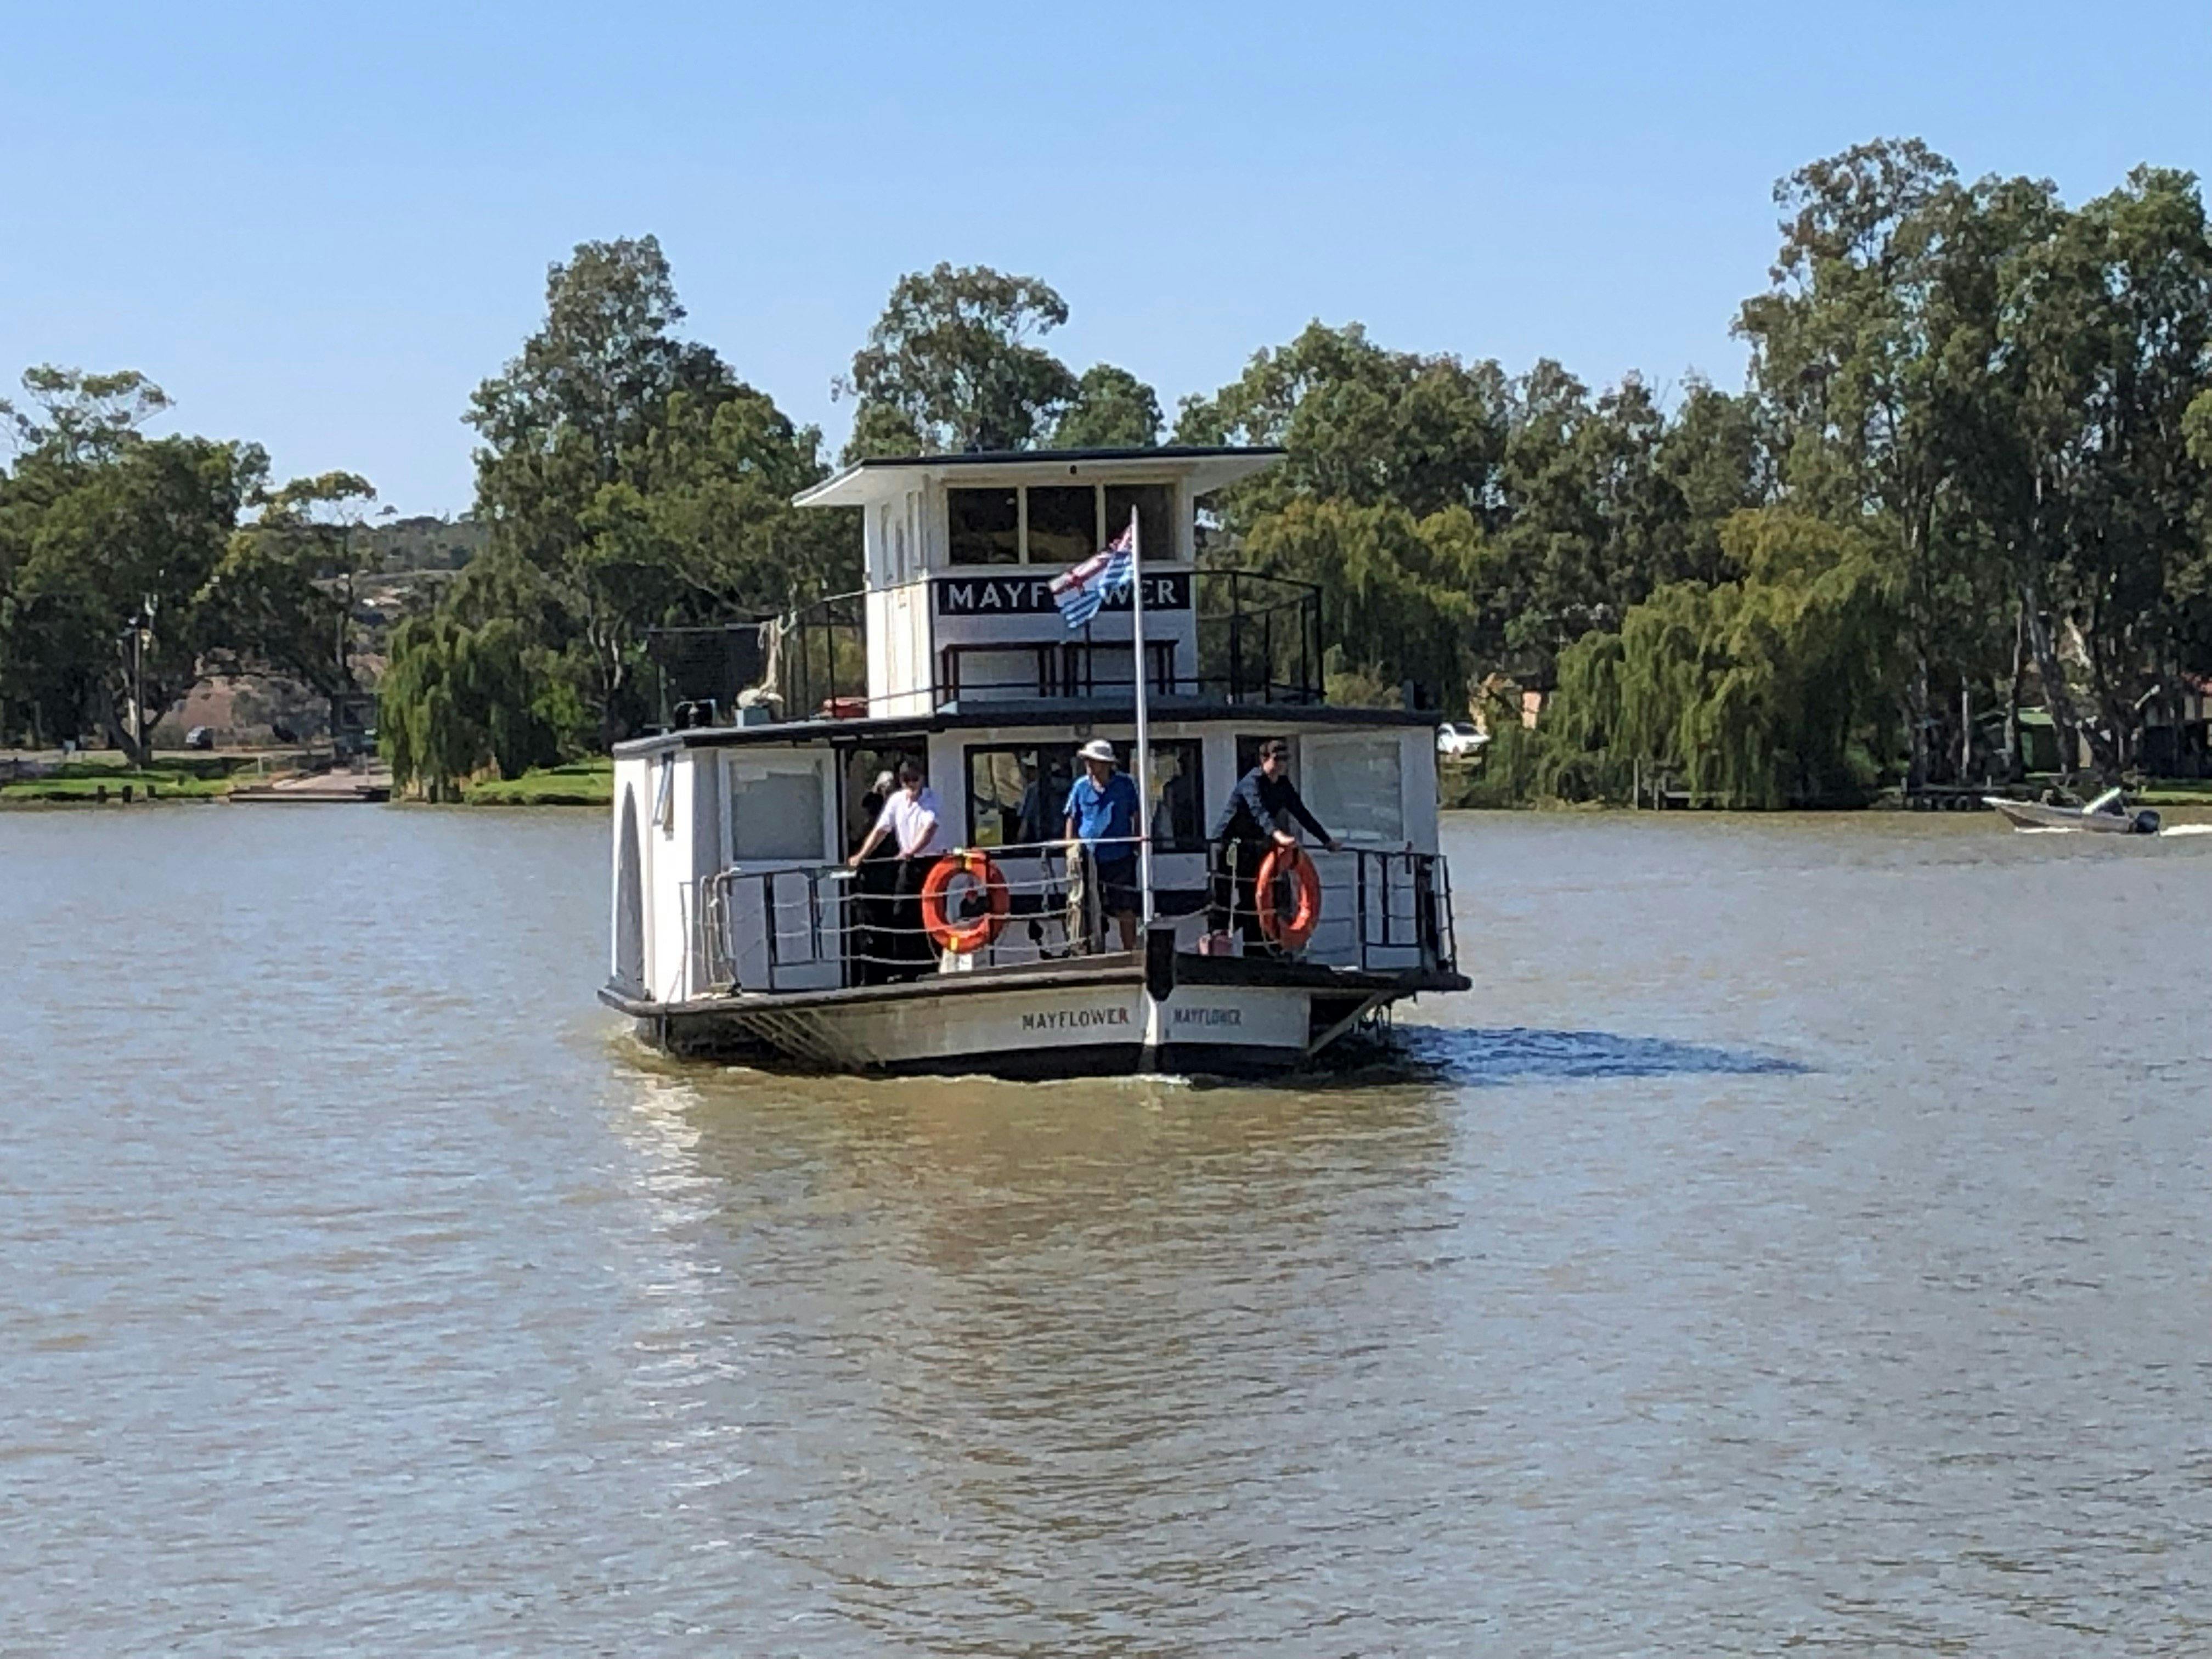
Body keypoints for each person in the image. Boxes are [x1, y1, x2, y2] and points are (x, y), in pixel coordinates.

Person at [1207, 739, 1342, 951]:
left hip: (1254, 846)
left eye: (1285, 759)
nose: (1282, 764)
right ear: (1264, 760)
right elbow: (1258, 811)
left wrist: (1326, 841)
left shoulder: (1283, 785)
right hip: (1228, 846)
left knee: (1253, 897)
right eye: (1277, 759)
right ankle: (1215, 942)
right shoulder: (1251, 782)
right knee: (1224, 898)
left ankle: (1255, 948)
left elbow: (1301, 813)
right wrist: (1278, 835)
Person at [847, 760, 946, 978]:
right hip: (909, 864)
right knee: (900, 913)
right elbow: (881, 830)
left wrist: (911, 850)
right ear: (901, 780)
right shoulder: (896, 800)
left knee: (928, 915)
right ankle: (907, 969)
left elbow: (929, 828)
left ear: (922, 778)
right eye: (906, 779)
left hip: (930, 862)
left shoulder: (931, 799)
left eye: (915, 778)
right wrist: (861, 856)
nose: (911, 783)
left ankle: (929, 967)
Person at [1062, 737, 1141, 952]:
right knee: (1087, 908)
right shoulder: (1080, 786)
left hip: (1120, 856)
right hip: (1088, 857)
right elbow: (1072, 817)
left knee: (1125, 906)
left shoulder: (1125, 785)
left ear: (1107, 764)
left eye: (1093, 760)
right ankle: (1090, 951)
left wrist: (1137, 841)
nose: (1089, 765)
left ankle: (1130, 951)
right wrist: (1070, 848)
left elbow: (1136, 814)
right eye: (1087, 760)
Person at [849, 770, 901, 984]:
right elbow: (872, 835)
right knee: (878, 928)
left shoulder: (880, 811)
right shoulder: (881, 812)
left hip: (882, 878)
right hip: (880, 879)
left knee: (880, 928)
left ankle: (878, 974)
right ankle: (877, 974)